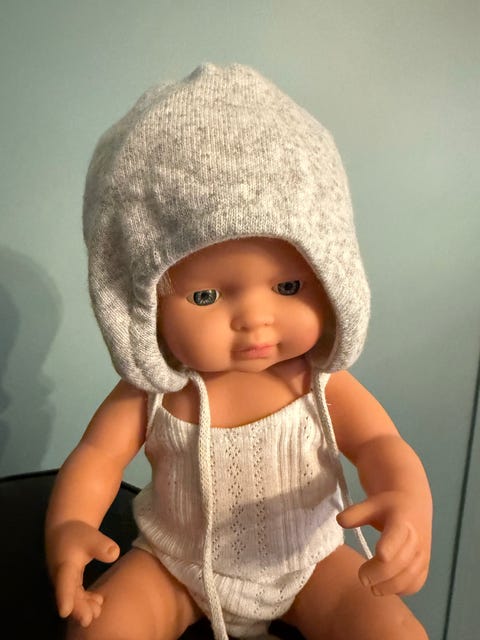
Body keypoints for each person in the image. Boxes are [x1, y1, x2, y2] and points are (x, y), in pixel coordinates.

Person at [45, 63, 432, 640]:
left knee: (394, 633)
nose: (256, 319)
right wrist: (70, 527)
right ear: (142, 301)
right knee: (101, 630)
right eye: (205, 295)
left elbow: (379, 443)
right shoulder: (156, 391)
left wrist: (407, 502)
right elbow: (98, 458)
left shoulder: (316, 381)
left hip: (309, 562)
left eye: (288, 286)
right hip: (174, 567)